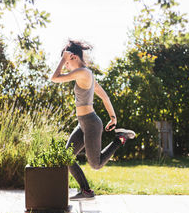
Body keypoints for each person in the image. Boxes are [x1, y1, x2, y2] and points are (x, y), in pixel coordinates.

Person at [51, 40, 135, 200]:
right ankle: (86, 191)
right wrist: (113, 117)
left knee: (95, 164)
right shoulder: (86, 74)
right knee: (67, 156)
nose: (66, 65)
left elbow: (54, 78)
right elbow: (104, 96)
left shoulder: (83, 73)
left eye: (67, 62)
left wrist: (62, 59)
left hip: (90, 123)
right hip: (83, 123)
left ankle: (120, 139)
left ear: (73, 57)